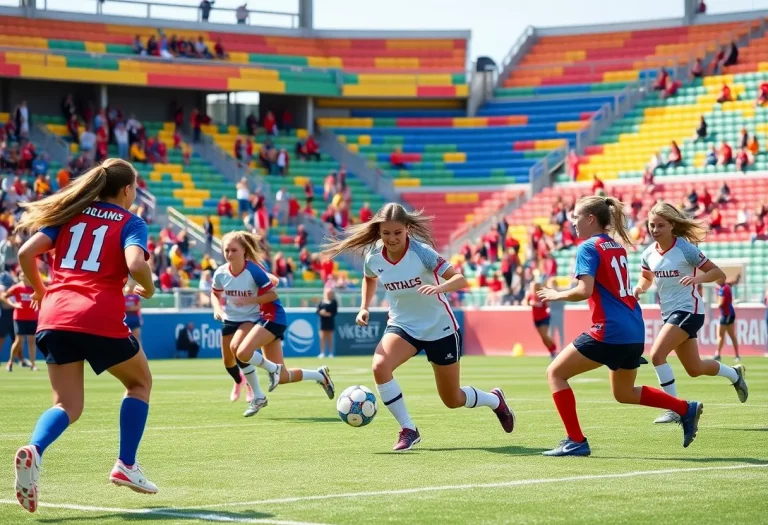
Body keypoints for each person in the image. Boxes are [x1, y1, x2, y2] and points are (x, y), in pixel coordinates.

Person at [12, 158, 157, 513]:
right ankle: (126, 464)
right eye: (135, 187)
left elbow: (25, 253)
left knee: (66, 405)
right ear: (126, 190)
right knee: (139, 384)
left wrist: (43, 289)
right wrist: (149, 290)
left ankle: (34, 449)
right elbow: (137, 265)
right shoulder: (130, 222)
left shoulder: (70, 213)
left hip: (54, 314)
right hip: (97, 314)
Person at [322, 203, 516, 452]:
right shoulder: (373, 257)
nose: (391, 239)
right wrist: (364, 307)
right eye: (386, 233)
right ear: (379, 232)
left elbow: (460, 279)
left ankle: (494, 400)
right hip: (403, 326)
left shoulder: (422, 253)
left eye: (397, 233)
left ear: (408, 229)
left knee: (452, 399)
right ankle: (408, 429)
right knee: (380, 366)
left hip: (440, 328)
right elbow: (369, 277)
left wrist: (439, 288)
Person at [536, 196, 703, 457]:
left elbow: (584, 290)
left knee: (555, 373)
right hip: (633, 330)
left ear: (591, 219)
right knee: (624, 392)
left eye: (576, 217)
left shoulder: (588, 247)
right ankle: (685, 408)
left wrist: (556, 295)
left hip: (610, 329)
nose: (573, 223)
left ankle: (576, 440)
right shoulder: (615, 246)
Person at [633, 202, 747, 425]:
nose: (654, 230)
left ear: (672, 225)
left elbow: (717, 272)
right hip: (669, 313)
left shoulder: (685, 249)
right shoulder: (647, 253)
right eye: (651, 225)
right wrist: (639, 288)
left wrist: (697, 279)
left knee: (657, 355)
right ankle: (735, 375)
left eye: (660, 225)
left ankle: (675, 408)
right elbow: (646, 278)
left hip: (689, 310)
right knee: (694, 369)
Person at [212, 231, 334, 417]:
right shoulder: (226, 272)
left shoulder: (254, 270)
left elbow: (273, 293)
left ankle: (261, 390)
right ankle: (320, 376)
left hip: (272, 317)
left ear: (244, 250)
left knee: (241, 351)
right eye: (226, 250)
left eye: (233, 250)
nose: (229, 254)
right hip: (264, 318)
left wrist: (251, 299)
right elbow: (218, 292)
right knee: (283, 377)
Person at [5, 272, 39, 372]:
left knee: (32, 341)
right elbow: (4, 296)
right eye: (22, 275)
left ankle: (33, 364)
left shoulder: (34, 287)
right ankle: (10, 362)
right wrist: (14, 305)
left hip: (32, 317)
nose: (24, 277)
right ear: (19, 277)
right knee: (19, 340)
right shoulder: (16, 288)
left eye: (25, 275)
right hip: (19, 317)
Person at [526, 280, 557, 359]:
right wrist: (530, 303)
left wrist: (541, 304)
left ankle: (554, 348)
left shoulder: (541, 295)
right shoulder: (530, 295)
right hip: (536, 319)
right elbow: (525, 302)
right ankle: (551, 351)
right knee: (542, 337)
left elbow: (547, 304)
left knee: (544, 335)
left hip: (544, 317)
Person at [714, 278, 740, 363]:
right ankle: (736, 355)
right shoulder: (726, 287)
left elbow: (720, 303)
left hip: (726, 314)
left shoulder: (723, 289)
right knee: (731, 335)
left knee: (721, 334)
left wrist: (717, 298)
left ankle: (718, 354)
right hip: (728, 314)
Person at [317, 288, 338, 358]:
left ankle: (331, 353)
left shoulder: (334, 302)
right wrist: (321, 313)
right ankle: (322, 352)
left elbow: (335, 312)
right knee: (322, 338)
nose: (328, 295)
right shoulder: (321, 302)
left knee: (330, 337)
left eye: (329, 293)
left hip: (330, 321)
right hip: (322, 322)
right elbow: (317, 311)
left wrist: (328, 314)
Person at [124, 282, 143, 348]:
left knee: (137, 337)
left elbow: (138, 307)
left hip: (135, 319)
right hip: (126, 320)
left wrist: (129, 308)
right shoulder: (123, 297)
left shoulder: (136, 297)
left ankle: (140, 353)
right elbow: (122, 308)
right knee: (126, 338)